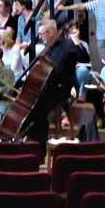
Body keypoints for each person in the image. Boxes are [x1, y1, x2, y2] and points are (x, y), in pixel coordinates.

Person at [21, 19, 88, 147]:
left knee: (38, 107)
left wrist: (77, 42)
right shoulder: (49, 48)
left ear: (51, 32)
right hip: (47, 87)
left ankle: (36, 143)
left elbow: (84, 57)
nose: (40, 37)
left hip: (62, 88)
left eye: (42, 34)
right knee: (35, 105)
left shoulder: (68, 45)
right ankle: (30, 139)